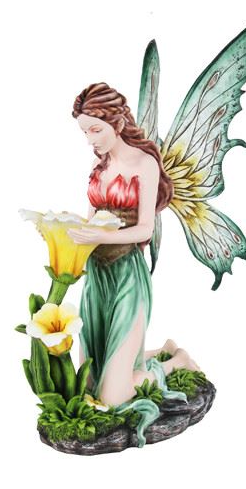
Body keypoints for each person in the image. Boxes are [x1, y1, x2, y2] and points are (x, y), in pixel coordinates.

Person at [67, 83, 199, 408]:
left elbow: (144, 229)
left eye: (96, 130)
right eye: (85, 132)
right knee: (87, 382)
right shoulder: (98, 167)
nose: (91, 140)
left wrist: (99, 237)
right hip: (97, 276)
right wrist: (67, 236)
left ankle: (176, 362)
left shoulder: (145, 163)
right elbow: (91, 221)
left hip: (127, 275)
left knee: (113, 397)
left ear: (118, 122)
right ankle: (155, 352)